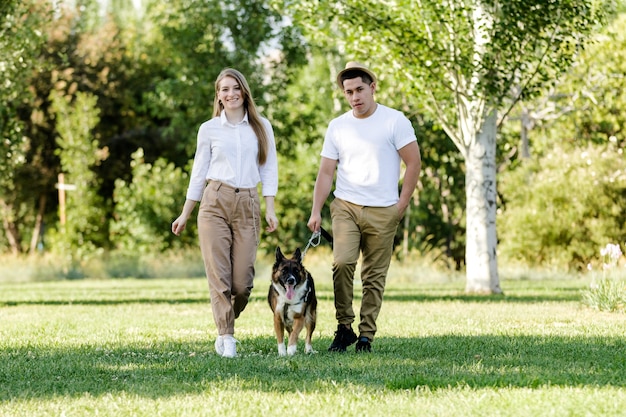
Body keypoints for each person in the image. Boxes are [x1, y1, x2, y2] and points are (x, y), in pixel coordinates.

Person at [307, 61, 421, 353]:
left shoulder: (395, 121)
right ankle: (344, 328)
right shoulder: (338, 126)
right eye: (348, 92)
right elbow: (326, 172)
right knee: (342, 263)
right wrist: (316, 210)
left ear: (372, 87)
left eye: (359, 89)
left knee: (373, 277)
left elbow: (413, 163)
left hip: (385, 210)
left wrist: (401, 205)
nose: (354, 97)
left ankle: (366, 335)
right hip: (346, 205)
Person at [172, 68, 278, 358]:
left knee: (242, 283)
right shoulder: (209, 129)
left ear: (244, 91)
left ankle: (227, 317)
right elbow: (198, 173)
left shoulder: (261, 126)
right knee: (219, 275)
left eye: (234, 88)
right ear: (218, 96)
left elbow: (269, 168)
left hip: (248, 203)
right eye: (223, 90)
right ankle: (226, 336)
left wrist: (270, 207)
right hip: (214, 202)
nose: (229, 94)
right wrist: (185, 213)